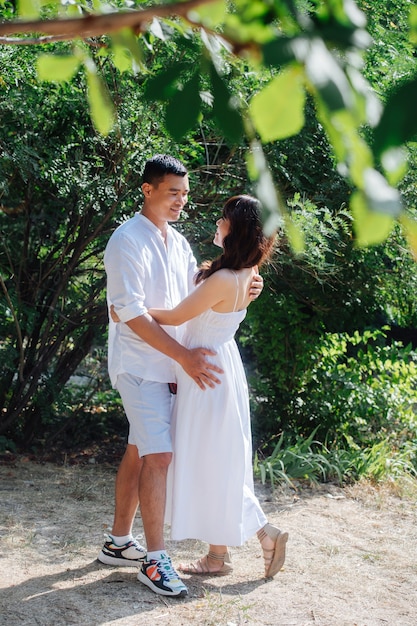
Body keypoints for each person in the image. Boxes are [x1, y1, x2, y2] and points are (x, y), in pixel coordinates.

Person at [99, 155, 263, 598]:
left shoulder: (178, 241)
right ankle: (155, 560)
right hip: (140, 365)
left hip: (173, 366)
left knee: (140, 449)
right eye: (173, 192)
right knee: (160, 456)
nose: (181, 201)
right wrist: (186, 358)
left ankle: (118, 543)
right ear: (147, 190)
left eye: (185, 194)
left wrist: (246, 281)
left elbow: (198, 289)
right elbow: (130, 313)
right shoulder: (125, 241)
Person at [145, 194, 289, 579]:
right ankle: (217, 556)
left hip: (206, 372)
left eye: (223, 219)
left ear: (235, 229)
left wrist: (130, 310)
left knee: (211, 460)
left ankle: (261, 534)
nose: (217, 222)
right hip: (219, 366)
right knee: (215, 459)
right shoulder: (244, 274)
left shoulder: (227, 278)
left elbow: (176, 315)